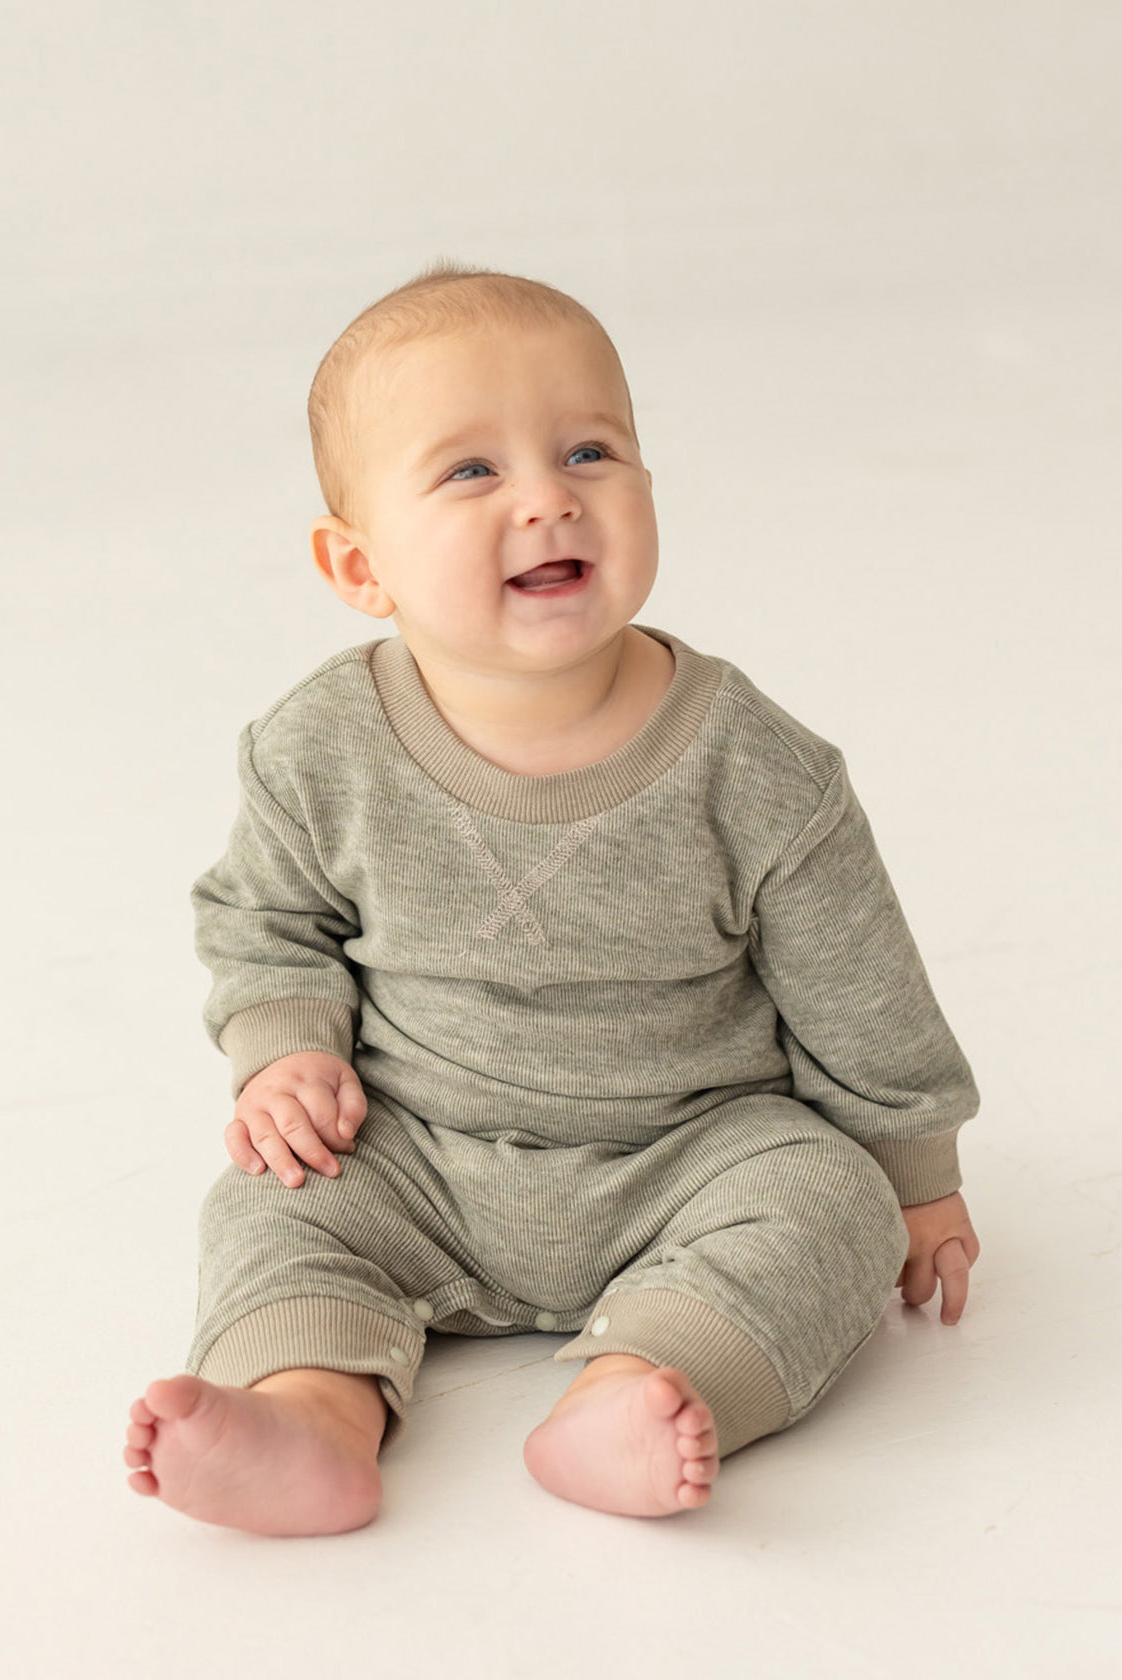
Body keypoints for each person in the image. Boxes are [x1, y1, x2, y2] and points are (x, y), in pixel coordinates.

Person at [123, 261, 981, 1535]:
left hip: (689, 1155)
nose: (546, 499)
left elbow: (859, 980)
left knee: (827, 1201)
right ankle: (309, 1413)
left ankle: (642, 1389)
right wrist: (284, 1048)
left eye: (590, 451)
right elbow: (265, 920)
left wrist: (916, 1167)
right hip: (413, 1151)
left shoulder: (752, 762)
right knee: (271, 1201)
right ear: (359, 565)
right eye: (472, 472)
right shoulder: (319, 748)